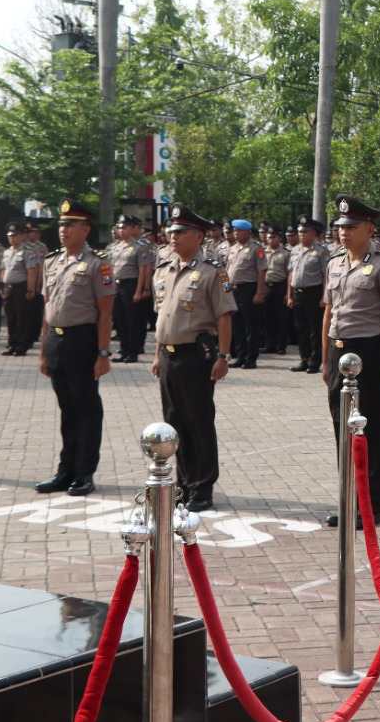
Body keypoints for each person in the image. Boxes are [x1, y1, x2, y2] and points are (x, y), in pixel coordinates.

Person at [322, 196, 380, 527]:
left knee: (370, 428)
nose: (344, 233)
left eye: (351, 228)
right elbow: (328, 310)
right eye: (341, 227)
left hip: (368, 351)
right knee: (342, 427)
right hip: (337, 349)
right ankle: (349, 499)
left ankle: (371, 504)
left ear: (369, 229)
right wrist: (324, 358)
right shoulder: (335, 264)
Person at [151, 205, 234, 511]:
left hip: (197, 356)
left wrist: (223, 356)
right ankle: (184, 483)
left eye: (181, 231)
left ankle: (202, 486)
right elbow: (162, 316)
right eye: (171, 231)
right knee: (174, 422)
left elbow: (224, 316)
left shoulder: (212, 272)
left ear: (198, 236)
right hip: (169, 356)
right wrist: (158, 353)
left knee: (198, 420)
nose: (173, 236)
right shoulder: (164, 269)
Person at [35, 200, 114, 497]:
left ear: (86, 228)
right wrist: (43, 350)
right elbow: (47, 309)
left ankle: (84, 472)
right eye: (61, 224)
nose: (63, 230)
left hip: (82, 341)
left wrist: (103, 353)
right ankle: (65, 470)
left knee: (86, 409)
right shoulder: (51, 262)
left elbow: (105, 313)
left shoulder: (97, 264)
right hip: (56, 340)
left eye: (70, 224)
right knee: (67, 409)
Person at [110, 215, 154, 363]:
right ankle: (123, 349)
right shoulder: (115, 247)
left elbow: (143, 269)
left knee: (132, 320)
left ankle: (133, 352)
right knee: (119, 319)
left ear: (131, 229)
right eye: (119, 227)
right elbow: (110, 268)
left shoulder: (139, 247)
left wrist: (139, 290)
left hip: (131, 284)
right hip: (116, 285)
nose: (121, 230)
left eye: (124, 227)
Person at [288, 219, 330, 373]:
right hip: (298, 293)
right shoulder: (295, 250)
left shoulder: (321, 251)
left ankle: (315, 361)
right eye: (300, 231)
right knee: (300, 328)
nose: (301, 234)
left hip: (314, 293)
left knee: (314, 329)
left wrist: (324, 296)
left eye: (305, 231)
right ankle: (303, 359)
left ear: (313, 234)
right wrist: (289, 295)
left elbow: (326, 275)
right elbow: (291, 274)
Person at [225, 219, 267, 368]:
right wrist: (226, 286)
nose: (235, 233)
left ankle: (251, 358)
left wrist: (260, 292)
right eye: (234, 231)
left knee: (251, 326)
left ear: (248, 232)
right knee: (237, 326)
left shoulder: (256, 248)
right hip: (233, 289)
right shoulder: (232, 248)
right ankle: (240, 356)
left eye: (239, 231)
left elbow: (261, 271)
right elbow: (227, 269)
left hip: (249, 289)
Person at [0, 223, 38, 356]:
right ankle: (11, 344)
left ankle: (21, 346)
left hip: (21, 287)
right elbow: (3, 269)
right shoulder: (7, 252)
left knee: (22, 317)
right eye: (10, 236)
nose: (12, 238)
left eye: (15, 236)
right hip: (8, 287)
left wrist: (31, 289)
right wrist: (1, 284)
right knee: (11, 317)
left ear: (21, 236)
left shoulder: (27, 252)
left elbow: (31, 271)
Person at [262, 225, 291, 355]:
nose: (271, 239)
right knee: (268, 317)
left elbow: (288, 272)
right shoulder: (262, 252)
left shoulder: (285, 253)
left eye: (274, 237)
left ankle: (281, 346)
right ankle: (270, 344)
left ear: (279, 238)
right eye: (269, 237)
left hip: (280, 286)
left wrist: (287, 293)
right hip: (266, 286)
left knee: (281, 318)